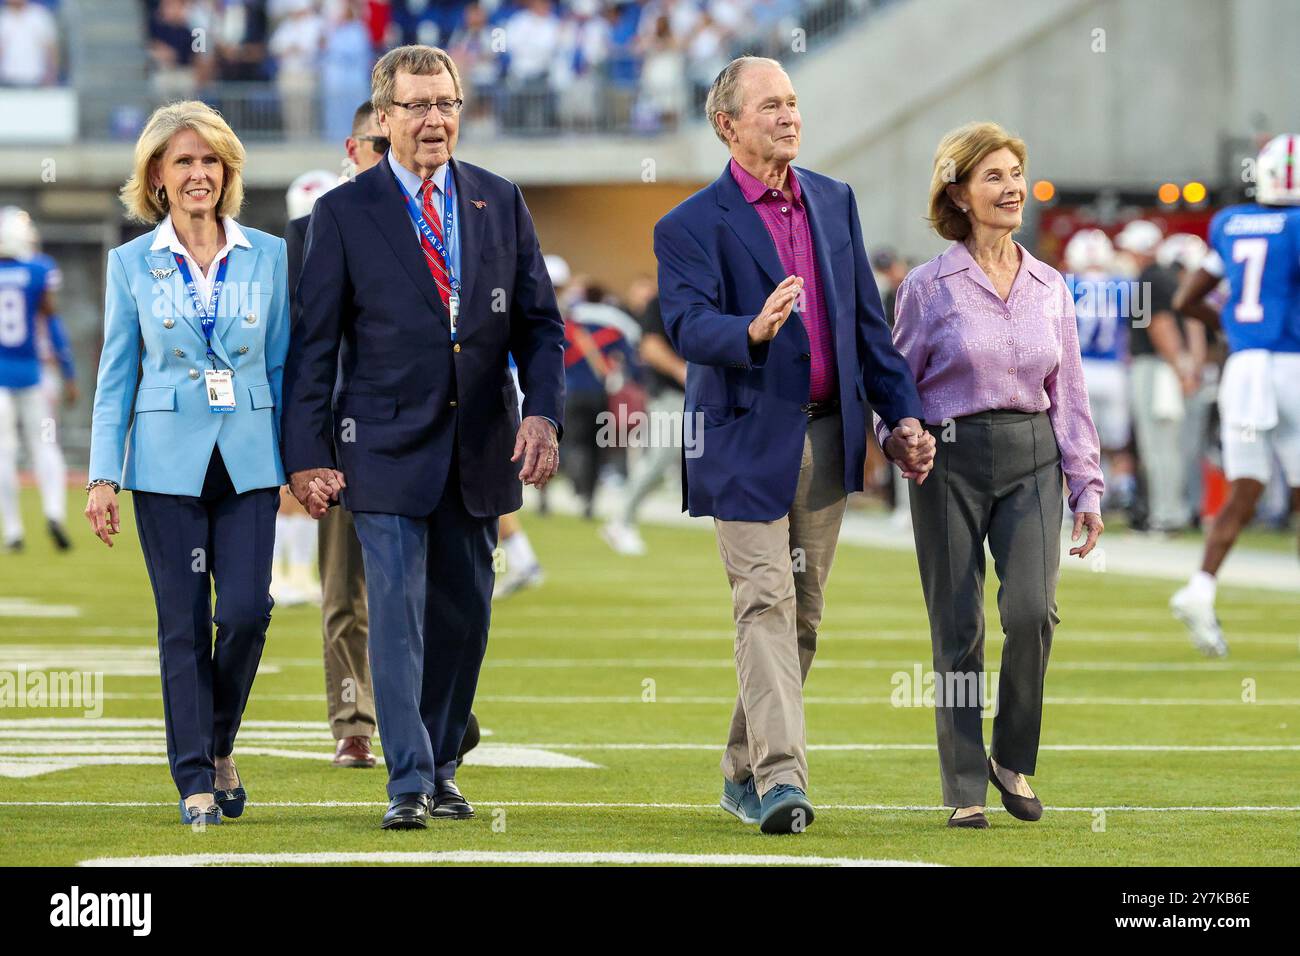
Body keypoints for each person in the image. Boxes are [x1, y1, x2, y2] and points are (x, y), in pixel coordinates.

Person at [281, 45, 566, 830]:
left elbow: (540, 325)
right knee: (397, 617)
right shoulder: (342, 213)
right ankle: (407, 778)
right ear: (383, 118)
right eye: (417, 105)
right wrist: (305, 455)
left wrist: (542, 412)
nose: (435, 118)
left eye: (447, 103)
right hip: (379, 445)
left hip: (481, 445)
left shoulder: (499, 200)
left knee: (465, 619)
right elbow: (313, 348)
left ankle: (440, 762)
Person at [654, 56, 929, 835]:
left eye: (794, 102)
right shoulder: (689, 223)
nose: (789, 116)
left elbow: (866, 331)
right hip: (742, 438)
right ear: (727, 124)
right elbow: (684, 323)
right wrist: (749, 329)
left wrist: (900, 416)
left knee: (802, 616)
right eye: (770, 105)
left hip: (827, 435)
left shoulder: (834, 202)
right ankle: (782, 781)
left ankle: (741, 767)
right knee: (764, 603)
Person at [880, 121, 1104, 829]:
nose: (1011, 189)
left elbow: (1069, 393)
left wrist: (1087, 486)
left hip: (1033, 453)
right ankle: (962, 786)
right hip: (949, 459)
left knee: (1032, 612)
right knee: (957, 626)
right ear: (960, 192)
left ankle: (1011, 756)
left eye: (1016, 175)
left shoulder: (1050, 284)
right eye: (994, 177)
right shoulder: (927, 286)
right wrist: (900, 436)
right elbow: (895, 384)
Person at [85, 100, 289, 826]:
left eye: (210, 160)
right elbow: (115, 377)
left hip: (249, 459)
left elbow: (284, 365)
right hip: (166, 465)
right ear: (157, 177)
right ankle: (196, 781)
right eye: (183, 162)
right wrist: (103, 475)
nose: (199, 173)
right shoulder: (130, 264)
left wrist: (301, 463)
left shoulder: (269, 254)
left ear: (226, 170)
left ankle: (218, 740)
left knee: (244, 613)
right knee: (182, 623)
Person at [1170, 134, 1300, 657]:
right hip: (1292, 365)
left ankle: (1201, 587)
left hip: (1244, 369)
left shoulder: (1230, 223)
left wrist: (1233, 333)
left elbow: (1187, 297)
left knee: (1246, 486)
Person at [0, 206, 71, 552]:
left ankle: (13, 531)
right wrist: (68, 371)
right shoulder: (39, 270)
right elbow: (51, 322)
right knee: (44, 445)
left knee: (3, 454)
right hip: (32, 373)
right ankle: (54, 511)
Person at [1118, 218, 1194, 534]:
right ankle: (1171, 512)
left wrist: (1179, 367)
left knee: (1158, 445)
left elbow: (1159, 325)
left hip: (1155, 366)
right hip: (1163, 365)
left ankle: (1166, 515)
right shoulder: (1164, 277)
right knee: (1167, 445)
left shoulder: (1149, 279)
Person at [602, 277, 685, 556]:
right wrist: (682, 372)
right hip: (671, 394)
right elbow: (650, 347)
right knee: (659, 460)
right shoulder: (659, 303)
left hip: (704, 396)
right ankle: (620, 521)